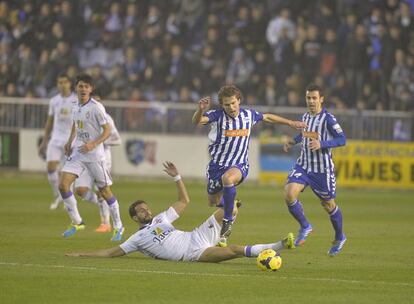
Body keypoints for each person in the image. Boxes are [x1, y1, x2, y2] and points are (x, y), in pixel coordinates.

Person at [66, 162, 295, 262]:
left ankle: (229, 218)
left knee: (229, 207)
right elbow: (110, 253)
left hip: (196, 236)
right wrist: (81, 254)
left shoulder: (161, 219)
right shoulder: (137, 239)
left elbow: (184, 200)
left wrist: (177, 177)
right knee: (234, 251)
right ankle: (279, 246)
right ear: (135, 218)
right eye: (141, 211)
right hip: (193, 254)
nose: (146, 211)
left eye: (146, 208)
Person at [192, 85, 306, 246]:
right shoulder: (217, 116)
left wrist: (290, 122)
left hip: (239, 165)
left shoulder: (248, 115)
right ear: (222, 105)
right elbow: (197, 121)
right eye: (226, 104)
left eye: (233, 103)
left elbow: (267, 117)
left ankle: (227, 223)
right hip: (216, 166)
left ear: (239, 101)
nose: (231, 107)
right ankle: (232, 205)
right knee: (213, 202)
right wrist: (200, 110)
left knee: (228, 178)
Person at [58, 73, 124, 241]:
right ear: (76, 88)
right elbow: (75, 124)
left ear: (91, 89)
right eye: (80, 86)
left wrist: (93, 144)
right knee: (63, 185)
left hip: (95, 155)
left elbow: (107, 130)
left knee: (105, 191)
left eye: (86, 86)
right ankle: (77, 221)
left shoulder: (96, 107)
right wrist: (69, 141)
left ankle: (118, 226)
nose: (83, 89)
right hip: (78, 153)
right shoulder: (75, 105)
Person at [283, 83, 346, 256]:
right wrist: (293, 141)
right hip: (303, 166)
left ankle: (340, 237)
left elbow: (342, 139)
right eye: (308, 98)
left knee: (328, 205)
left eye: (314, 98)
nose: (311, 101)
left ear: (321, 99)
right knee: (289, 193)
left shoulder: (328, 119)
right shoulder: (305, 116)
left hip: (322, 171)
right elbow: (305, 134)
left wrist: (323, 144)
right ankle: (305, 226)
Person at [74, 90, 122, 233]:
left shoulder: (107, 119)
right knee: (80, 190)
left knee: (103, 190)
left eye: (98, 101)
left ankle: (106, 223)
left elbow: (117, 139)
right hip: (85, 156)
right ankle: (101, 202)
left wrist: (98, 142)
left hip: (102, 157)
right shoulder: (82, 116)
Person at [38, 73, 77, 210]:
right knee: (50, 168)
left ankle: (68, 200)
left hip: (71, 140)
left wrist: (75, 140)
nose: (62, 85)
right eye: (59, 82)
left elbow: (79, 121)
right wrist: (44, 140)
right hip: (55, 139)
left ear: (69, 83)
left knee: (67, 173)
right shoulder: (54, 101)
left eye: (64, 82)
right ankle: (57, 195)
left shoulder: (76, 100)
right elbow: (49, 121)